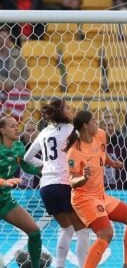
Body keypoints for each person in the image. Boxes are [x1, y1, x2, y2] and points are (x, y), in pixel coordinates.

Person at [65, 110, 127, 267]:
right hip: (84, 199)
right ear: (86, 126)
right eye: (94, 120)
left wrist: (112, 162)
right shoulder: (75, 152)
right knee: (106, 234)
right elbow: (72, 181)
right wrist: (84, 178)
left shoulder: (100, 134)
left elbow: (101, 152)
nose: (98, 123)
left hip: (100, 195)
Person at [23, 99, 89, 268]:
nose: (70, 109)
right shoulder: (72, 131)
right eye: (67, 107)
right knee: (82, 230)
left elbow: (27, 158)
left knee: (67, 229)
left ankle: (59, 265)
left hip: (46, 186)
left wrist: (45, 164)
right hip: (64, 183)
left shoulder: (44, 132)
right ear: (61, 112)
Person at [0, 116, 42, 268]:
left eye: (17, 125)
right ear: (2, 130)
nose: (16, 128)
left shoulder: (19, 147)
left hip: (5, 201)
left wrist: (43, 171)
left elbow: (26, 167)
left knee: (35, 232)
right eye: (12, 126)